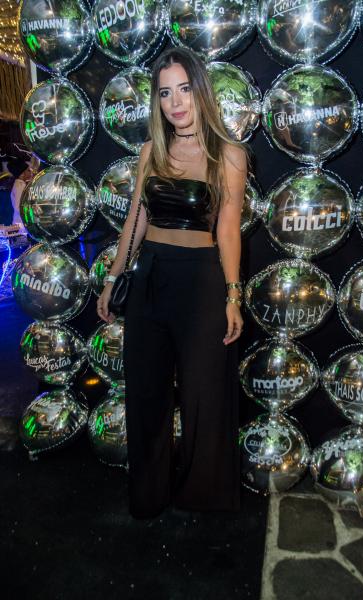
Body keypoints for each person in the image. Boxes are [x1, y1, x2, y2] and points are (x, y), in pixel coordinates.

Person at [97, 46, 248, 519]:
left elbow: (228, 229)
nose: (175, 102)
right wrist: (113, 277)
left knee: (203, 395)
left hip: (202, 283)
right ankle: (149, 492)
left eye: (184, 89)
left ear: (201, 92)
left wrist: (233, 295)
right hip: (150, 278)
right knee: (146, 390)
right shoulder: (152, 151)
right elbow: (135, 221)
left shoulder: (229, 154)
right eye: (165, 93)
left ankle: (200, 496)